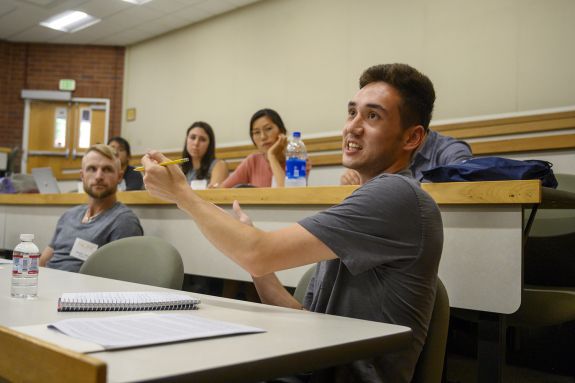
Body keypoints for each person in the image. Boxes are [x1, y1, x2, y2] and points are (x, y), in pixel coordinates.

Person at [141, 63, 443, 383]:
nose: (352, 127)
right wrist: (249, 245)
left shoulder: (397, 194)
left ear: (412, 137)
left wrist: (182, 194)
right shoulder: (367, 198)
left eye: (372, 116)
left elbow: (259, 253)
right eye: (351, 112)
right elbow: (302, 317)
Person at [39, 144, 143, 272]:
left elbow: (120, 278)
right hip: (48, 285)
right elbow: (43, 262)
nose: (99, 176)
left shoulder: (124, 222)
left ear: (119, 177)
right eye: (92, 169)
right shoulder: (68, 216)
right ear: (82, 176)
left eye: (107, 169)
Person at [340, 127, 472, 185]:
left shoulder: (452, 151)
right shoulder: (378, 150)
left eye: (375, 116)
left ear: (414, 136)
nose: (352, 128)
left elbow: (462, 191)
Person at [220, 108, 288, 188]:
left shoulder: (298, 161)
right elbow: (222, 190)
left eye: (268, 129)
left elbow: (288, 194)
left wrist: (272, 156)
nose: (263, 137)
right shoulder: (252, 161)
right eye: (256, 132)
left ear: (282, 131)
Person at [181, 121, 229, 188]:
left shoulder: (219, 165)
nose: (196, 143)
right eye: (192, 137)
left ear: (209, 145)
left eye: (202, 139)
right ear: (186, 140)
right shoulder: (180, 168)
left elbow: (215, 194)